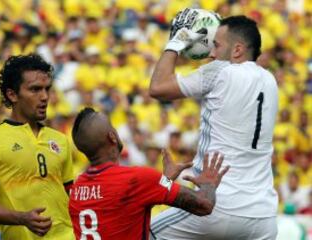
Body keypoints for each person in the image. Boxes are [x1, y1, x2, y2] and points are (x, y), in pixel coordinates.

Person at [149, 13, 279, 239]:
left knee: (143, 233)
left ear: (237, 50)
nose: (211, 53)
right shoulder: (270, 80)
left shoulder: (220, 70)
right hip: (263, 215)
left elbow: (158, 87)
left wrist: (175, 43)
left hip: (218, 203)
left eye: (217, 45)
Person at [69, 107, 229, 240]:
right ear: (112, 136)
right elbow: (204, 204)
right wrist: (209, 183)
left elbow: (127, 208)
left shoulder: (76, 190)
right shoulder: (137, 178)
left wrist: (165, 180)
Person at [0, 54, 75, 239]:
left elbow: (72, 199)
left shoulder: (60, 140)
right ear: (12, 94)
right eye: (35, 90)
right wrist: (21, 218)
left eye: (47, 89)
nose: (44, 97)